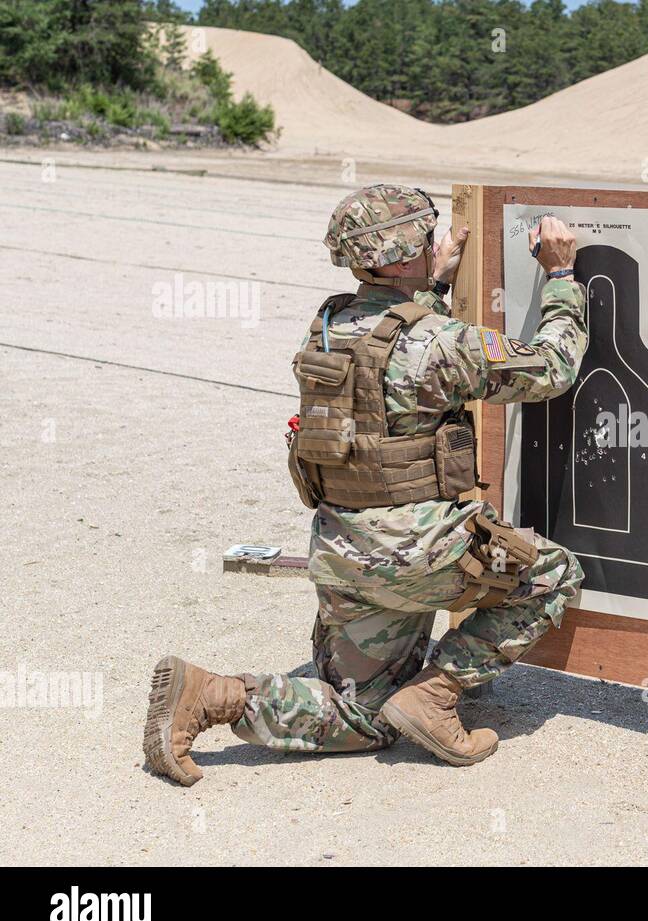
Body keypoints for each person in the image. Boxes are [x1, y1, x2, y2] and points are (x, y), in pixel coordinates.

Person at [143, 184, 588, 785]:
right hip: (418, 557)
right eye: (428, 237)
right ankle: (441, 690)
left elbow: (394, 349)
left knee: (367, 715)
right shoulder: (444, 343)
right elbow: (552, 367)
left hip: (342, 554)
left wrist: (429, 284)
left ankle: (213, 696)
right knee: (551, 573)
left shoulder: (325, 328)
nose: (437, 243)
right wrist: (560, 276)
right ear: (406, 254)